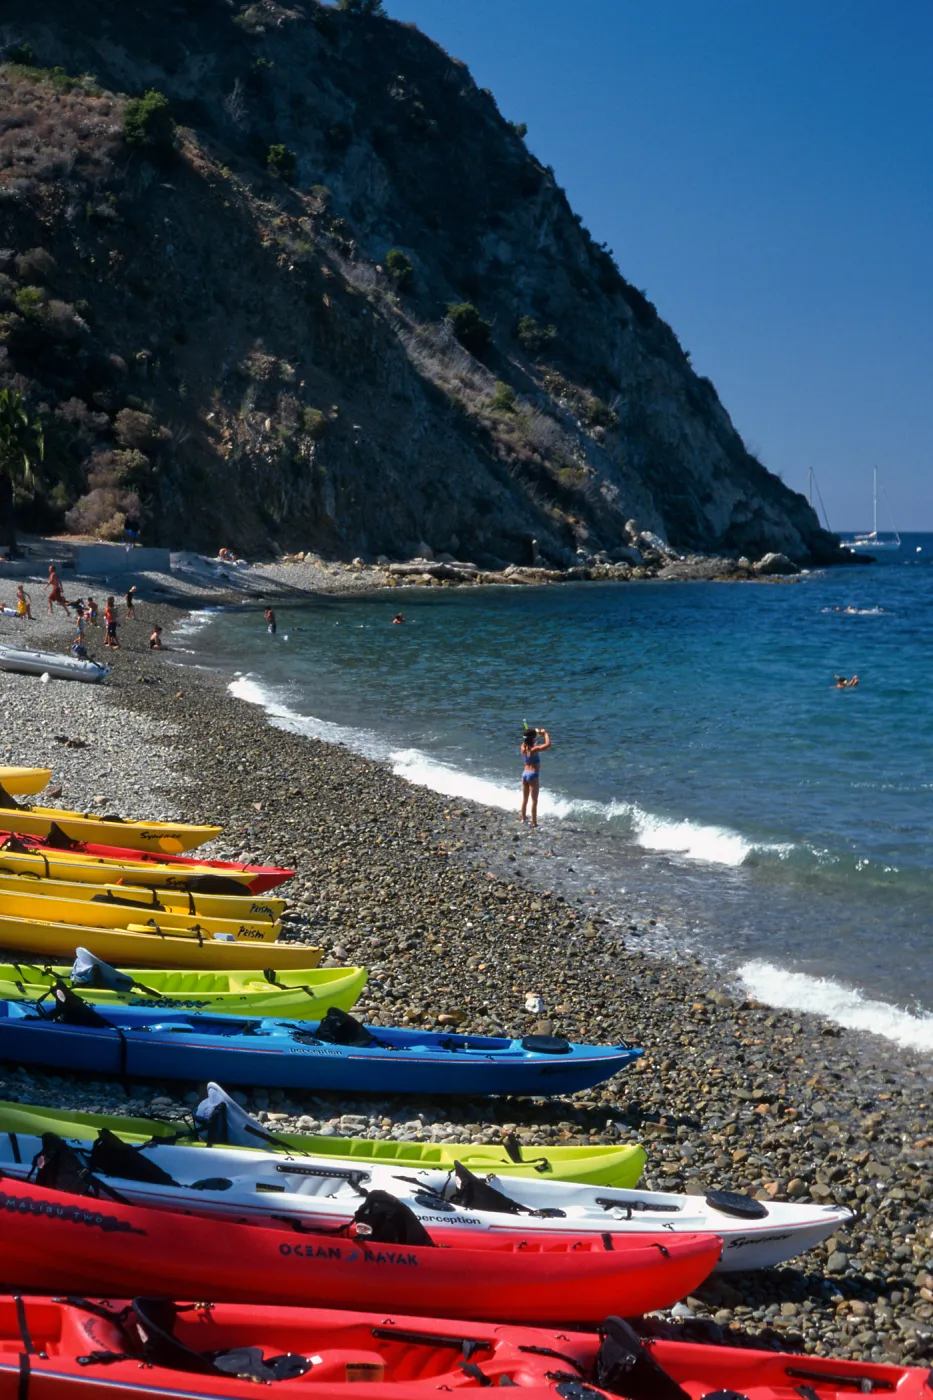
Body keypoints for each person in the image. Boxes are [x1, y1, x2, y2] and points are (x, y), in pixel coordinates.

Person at [519, 725, 551, 828]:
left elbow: (529, 736)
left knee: (525, 799)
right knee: (534, 801)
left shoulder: (522, 747)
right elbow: (547, 745)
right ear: (533, 739)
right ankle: (534, 822)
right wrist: (545, 734)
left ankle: (523, 818)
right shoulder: (534, 749)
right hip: (533, 775)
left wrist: (536, 732)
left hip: (524, 774)